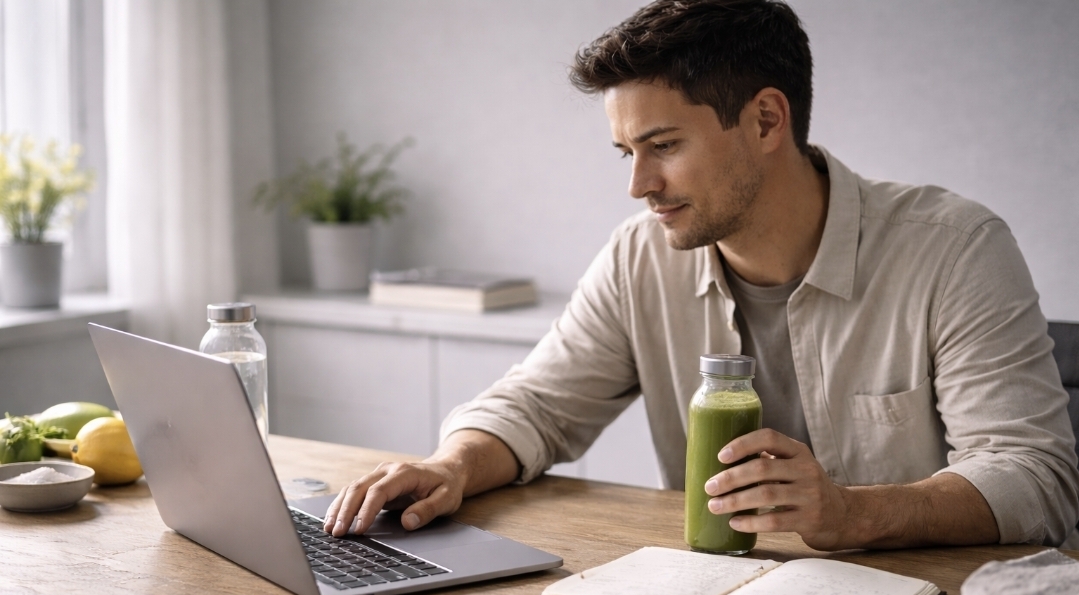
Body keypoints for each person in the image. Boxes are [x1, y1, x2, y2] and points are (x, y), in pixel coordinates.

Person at [325, 0, 1079, 550]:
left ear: (764, 121)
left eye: (662, 146)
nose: (638, 184)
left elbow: (1035, 477)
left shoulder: (953, 249)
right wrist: (450, 466)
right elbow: (537, 405)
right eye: (627, 154)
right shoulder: (638, 255)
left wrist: (850, 512)